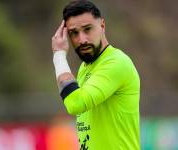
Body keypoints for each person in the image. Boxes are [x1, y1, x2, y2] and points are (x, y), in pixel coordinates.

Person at [52, 0, 140, 149]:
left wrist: (59, 55)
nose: (82, 40)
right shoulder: (84, 68)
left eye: (87, 29)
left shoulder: (116, 63)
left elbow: (75, 103)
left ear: (102, 26)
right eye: (74, 33)